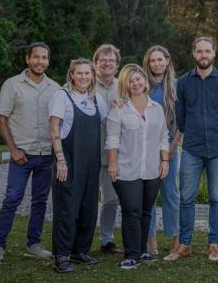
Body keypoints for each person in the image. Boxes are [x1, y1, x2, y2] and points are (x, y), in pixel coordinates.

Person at [0, 42, 60, 264]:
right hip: (22, 155)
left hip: (46, 155)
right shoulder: (12, 85)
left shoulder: (55, 88)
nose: (40, 61)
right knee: (12, 198)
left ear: (48, 60)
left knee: (40, 201)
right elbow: (1, 118)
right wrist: (13, 149)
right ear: (27, 59)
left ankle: (33, 244)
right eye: (36, 57)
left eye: (44, 57)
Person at [164, 36, 218, 262]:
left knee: (216, 198)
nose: (204, 55)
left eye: (208, 51)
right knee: (187, 197)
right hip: (192, 150)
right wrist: (178, 144)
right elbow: (181, 118)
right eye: (200, 51)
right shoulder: (183, 83)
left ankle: (213, 244)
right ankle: (184, 245)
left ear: (214, 53)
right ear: (194, 54)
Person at [106, 64, 169, 269]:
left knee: (146, 211)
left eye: (138, 79)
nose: (136, 83)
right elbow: (112, 139)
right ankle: (131, 254)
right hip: (126, 169)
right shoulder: (119, 108)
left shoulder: (156, 108)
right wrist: (113, 164)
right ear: (125, 84)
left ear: (144, 80)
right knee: (131, 211)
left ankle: (142, 251)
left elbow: (163, 137)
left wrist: (165, 161)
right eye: (131, 80)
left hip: (152, 169)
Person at [49, 58, 108, 273]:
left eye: (87, 73)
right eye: (79, 73)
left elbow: (109, 119)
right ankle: (62, 256)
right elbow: (54, 129)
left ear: (92, 76)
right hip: (69, 162)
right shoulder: (62, 97)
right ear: (72, 74)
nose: (84, 77)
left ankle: (80, 251)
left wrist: (119, 105)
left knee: (88, 208)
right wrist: (60, 160)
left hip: (91, 164)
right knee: (67, 210)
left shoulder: (95, 99)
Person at [142, 45, 181, 255]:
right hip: (146, 149)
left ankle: (176, 239)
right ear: (148, 64)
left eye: (160, 59)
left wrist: (174, 145)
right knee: (148, 194)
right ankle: (150, 242)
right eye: (152, 60)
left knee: (171, 193)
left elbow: (182, 120)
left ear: (167, 61)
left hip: (170, 148)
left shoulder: (176, 86)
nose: (157, 64)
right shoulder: (141, 86)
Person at [93, 44, 123, 255]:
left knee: (111, 199)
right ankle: (80, 239)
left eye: (111, 60)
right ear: (96, 64)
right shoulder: (83, 82)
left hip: (112, 155)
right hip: (87, 151)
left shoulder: (124, 86)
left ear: (117, 65)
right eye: (103, 60)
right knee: (84, 199)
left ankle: (106, 240)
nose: (107, 63)